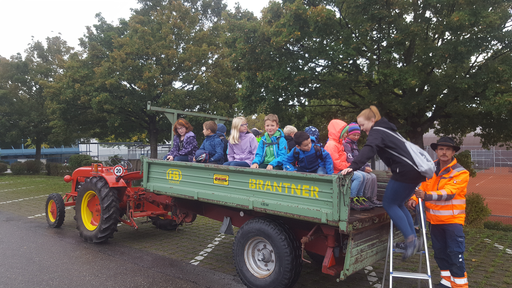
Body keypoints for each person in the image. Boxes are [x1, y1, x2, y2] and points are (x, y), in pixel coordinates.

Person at [340, 106, 425, 260]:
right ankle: (413, 238)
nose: (361, 128)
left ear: (372, 121)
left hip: (404, 172)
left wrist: (352, 167)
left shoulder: (377, 130)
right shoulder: (389, 129)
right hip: (415, 171)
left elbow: (370, 149)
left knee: (389, 204)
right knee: (398, 204)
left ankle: (411, 241)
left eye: (362, 125)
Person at [408, 137, 469, 288]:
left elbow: (449, 193)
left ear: (453, 152)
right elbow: (421, 187)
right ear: (436, 151)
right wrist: (414, 198)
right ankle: (446, 283)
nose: (444, 152)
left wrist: (426, 196)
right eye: (441, 149)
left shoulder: (460, 172)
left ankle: (460, 285)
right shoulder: (429, 169)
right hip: (434, 221)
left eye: (448, 149)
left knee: (455, 254)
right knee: (440, 253)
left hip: (453, 221)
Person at [324, 119, 371, 211]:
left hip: (342, 168)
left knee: (363, 176)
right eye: (345, 133)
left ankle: (358, 197)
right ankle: (350, 199)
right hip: (336, 171)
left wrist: (349, 167)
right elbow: (336, 163)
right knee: (358, 177)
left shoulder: (339, 143)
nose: (346, 135)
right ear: (338, 133)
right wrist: (348, 167)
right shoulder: (331, 145)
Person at [343, 122, 383, 207]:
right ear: (348, 134)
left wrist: (366, 166)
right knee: (366, 176)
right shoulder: (346, 144)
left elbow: (360, 158)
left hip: (358, 167)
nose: (356, 137)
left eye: (358, 135)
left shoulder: (355, 144)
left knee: (373, 176)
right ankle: (361, 197)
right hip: (352, 168)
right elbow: (350, 160)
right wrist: (363, 169)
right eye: (354, 135)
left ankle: (372, 198)